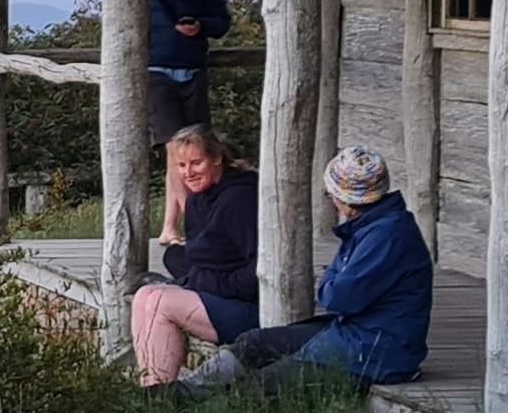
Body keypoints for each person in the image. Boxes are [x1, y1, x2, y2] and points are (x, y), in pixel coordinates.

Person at [178, 147, 434, 392]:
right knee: (253, 343)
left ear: (345, 197)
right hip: (351, 332)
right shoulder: (369, 227)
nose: (332, 199)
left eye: (331, 192)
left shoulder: (386, 236)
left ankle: (194, 409)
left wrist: (331, 281)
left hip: (376, 352)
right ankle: (179, 393)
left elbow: (337, 298)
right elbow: (335, 287)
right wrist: (332, 281)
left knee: (261, 387)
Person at [128, 127, 256, 386]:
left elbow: (258, 271)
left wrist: (206, 283)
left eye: (196, 163)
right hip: (213, 294)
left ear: (217, 158)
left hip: (249, 307)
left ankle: (161, 394)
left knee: (160, 302)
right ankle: (151, 389)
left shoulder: (240, 199)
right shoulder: (198, 199)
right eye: (181, 165)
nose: (188, 173)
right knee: (145, 295)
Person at [143, 0, 229, 141]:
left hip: (193, 71)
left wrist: (201, 26)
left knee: (199, 145)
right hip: (156, 70)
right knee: (174, 145)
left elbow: (222, 21)